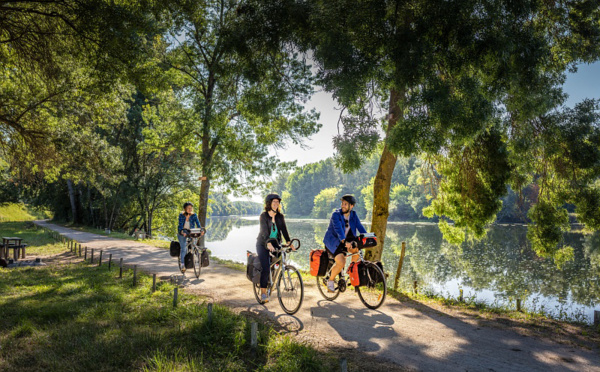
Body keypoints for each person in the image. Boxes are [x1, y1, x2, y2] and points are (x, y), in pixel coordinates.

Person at [323, 194, 367, 292]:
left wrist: (368, 237)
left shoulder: (354, 215)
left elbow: (360, 227)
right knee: (341, 262)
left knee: (356, 251)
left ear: (351, 206)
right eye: (342, 203)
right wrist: (345, 241)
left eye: (345, 204)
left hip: (347, 241)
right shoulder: (336, 215)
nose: (343, 205)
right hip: (333, 242)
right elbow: (339, 230)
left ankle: (351, 270)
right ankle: (330, 281)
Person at [256, 193, 292, 303]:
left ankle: (274, 278)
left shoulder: (280, 217)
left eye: (277, 202)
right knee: (266, 267)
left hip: (276, 243)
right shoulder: (264, 216)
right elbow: (264, 231)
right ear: (269, 203)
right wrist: (267, 243)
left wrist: (289, 242)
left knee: (280, 260)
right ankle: (263, 293)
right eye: (274, 202)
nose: (276, 204)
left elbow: (284, 231)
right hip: (262, 243)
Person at [177, 202, 203, 273]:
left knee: (194, 246)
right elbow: (180, 225)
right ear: (185, 209)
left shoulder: (194, 215)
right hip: (182, 233)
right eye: (188, 208)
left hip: (191, 232)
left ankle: (194, 259)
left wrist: (201, 230)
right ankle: (182, 264)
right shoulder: (181, 215)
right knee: (183, 248)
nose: (190, 209)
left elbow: (198, 224)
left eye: (191, 208)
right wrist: (182, 232)